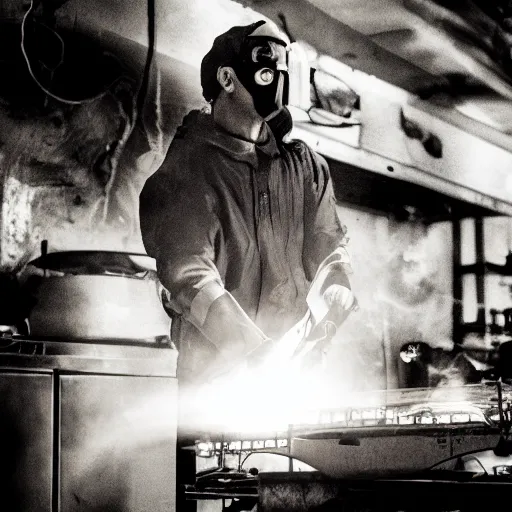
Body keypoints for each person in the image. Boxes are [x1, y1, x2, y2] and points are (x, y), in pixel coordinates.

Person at [139, 19, 357, 387]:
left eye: (284, 62)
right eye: (266, 59)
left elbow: (331, 250)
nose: (279, 72)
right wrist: (251, 350)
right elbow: (189, 274)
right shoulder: (190, 169)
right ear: (227, 79)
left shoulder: (304, 167)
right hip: (217, 389)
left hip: (292, 384)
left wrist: (337, 290)